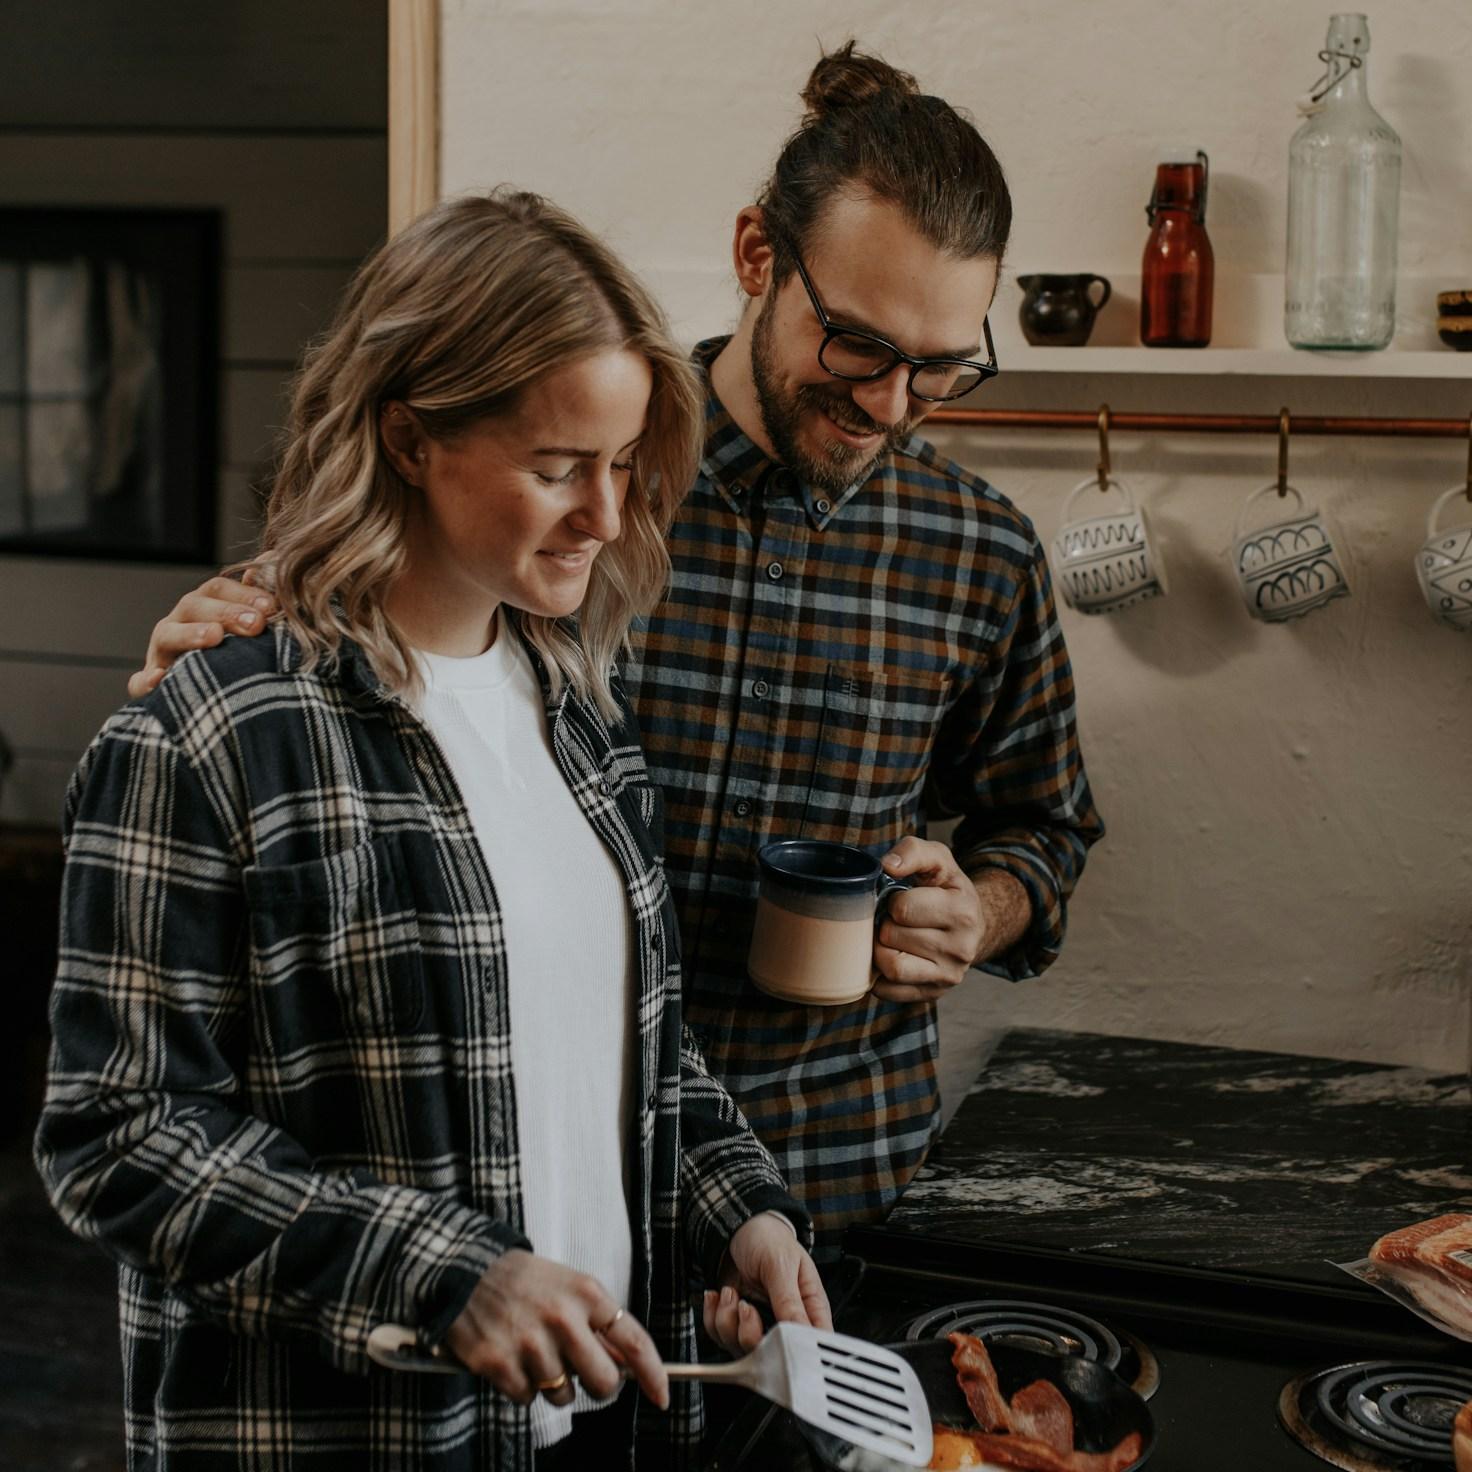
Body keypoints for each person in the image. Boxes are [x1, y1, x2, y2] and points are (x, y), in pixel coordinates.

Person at [124, 44, 1104, 1249]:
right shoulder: (568, 499)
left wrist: (982, 909)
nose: (891, 404)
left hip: (830, 1173)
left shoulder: (980, 551)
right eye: (856, 346)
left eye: (940, 368)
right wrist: (250, 627)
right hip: (524, 1171)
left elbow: (1044, 825)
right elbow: (372, 626)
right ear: (758, 256)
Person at [35, 188, 830, 1472]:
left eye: (624, 464)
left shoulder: (581, 719)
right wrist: (448, 1275)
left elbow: (636, 1051)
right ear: (409, 436)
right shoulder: (212, 735)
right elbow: (117, 1135)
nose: (607, 517)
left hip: (600, 1426)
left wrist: (738, 1210)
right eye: (559, 466)